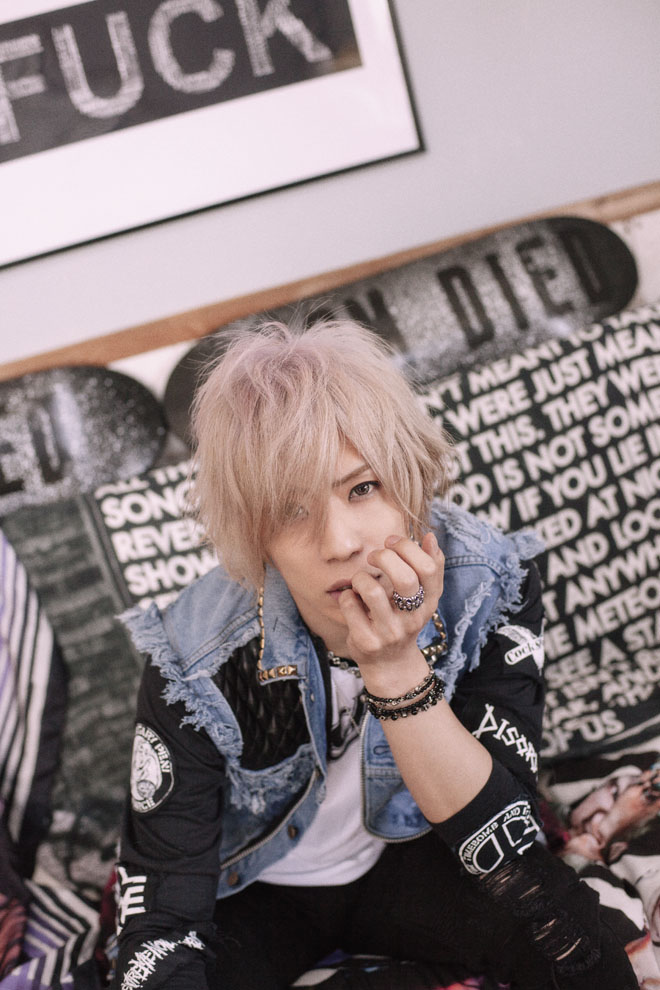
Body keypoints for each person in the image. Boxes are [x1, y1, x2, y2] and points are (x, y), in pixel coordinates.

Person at [112, 320, 637, 989]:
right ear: (255, 534)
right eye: (291, 511)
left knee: (580, 944)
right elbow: (161, 917)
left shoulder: (488, 583)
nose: (339, 543)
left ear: (411, 480)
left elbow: (506, 836)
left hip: (413, 854)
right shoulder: (195, 657)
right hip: (258, 891)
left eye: (362, 488)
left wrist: (395, 667)